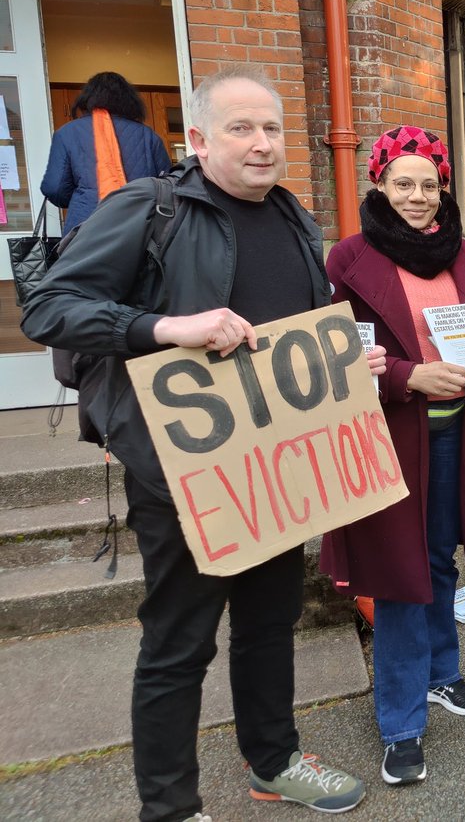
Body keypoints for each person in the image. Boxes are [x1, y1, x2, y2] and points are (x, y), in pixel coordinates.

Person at [21, 67, 368, 820]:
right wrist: (167, 328)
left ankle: (273, 761)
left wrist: (344, 361)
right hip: (180, 469)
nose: (262, 142)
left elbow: (291, 336)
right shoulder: (150, 209)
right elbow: (48, 307)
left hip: (274, 463)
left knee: (272, 622)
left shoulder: (293, 219)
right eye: (241, 128)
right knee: (179, 643)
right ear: (199, 139)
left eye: (272, 128)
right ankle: (171, 807)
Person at [319, 125, 465, 786]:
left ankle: (440, 674)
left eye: (428, 184)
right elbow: (335, 357)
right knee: (399, 575)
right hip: (389, 435)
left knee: (439, 557)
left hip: (456, 431)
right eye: (404, 183)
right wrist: (406, 377)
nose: (418, 196)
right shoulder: (347, 260)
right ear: (380, 184)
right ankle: (400, 723)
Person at [41, 71, 171, 234]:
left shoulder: (67, 133)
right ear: (129, 101)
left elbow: (54, 188)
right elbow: (167, 188)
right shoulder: (149, 136)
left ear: (87, 99)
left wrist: (83, 197)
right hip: (138, 228)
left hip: (84, 229)